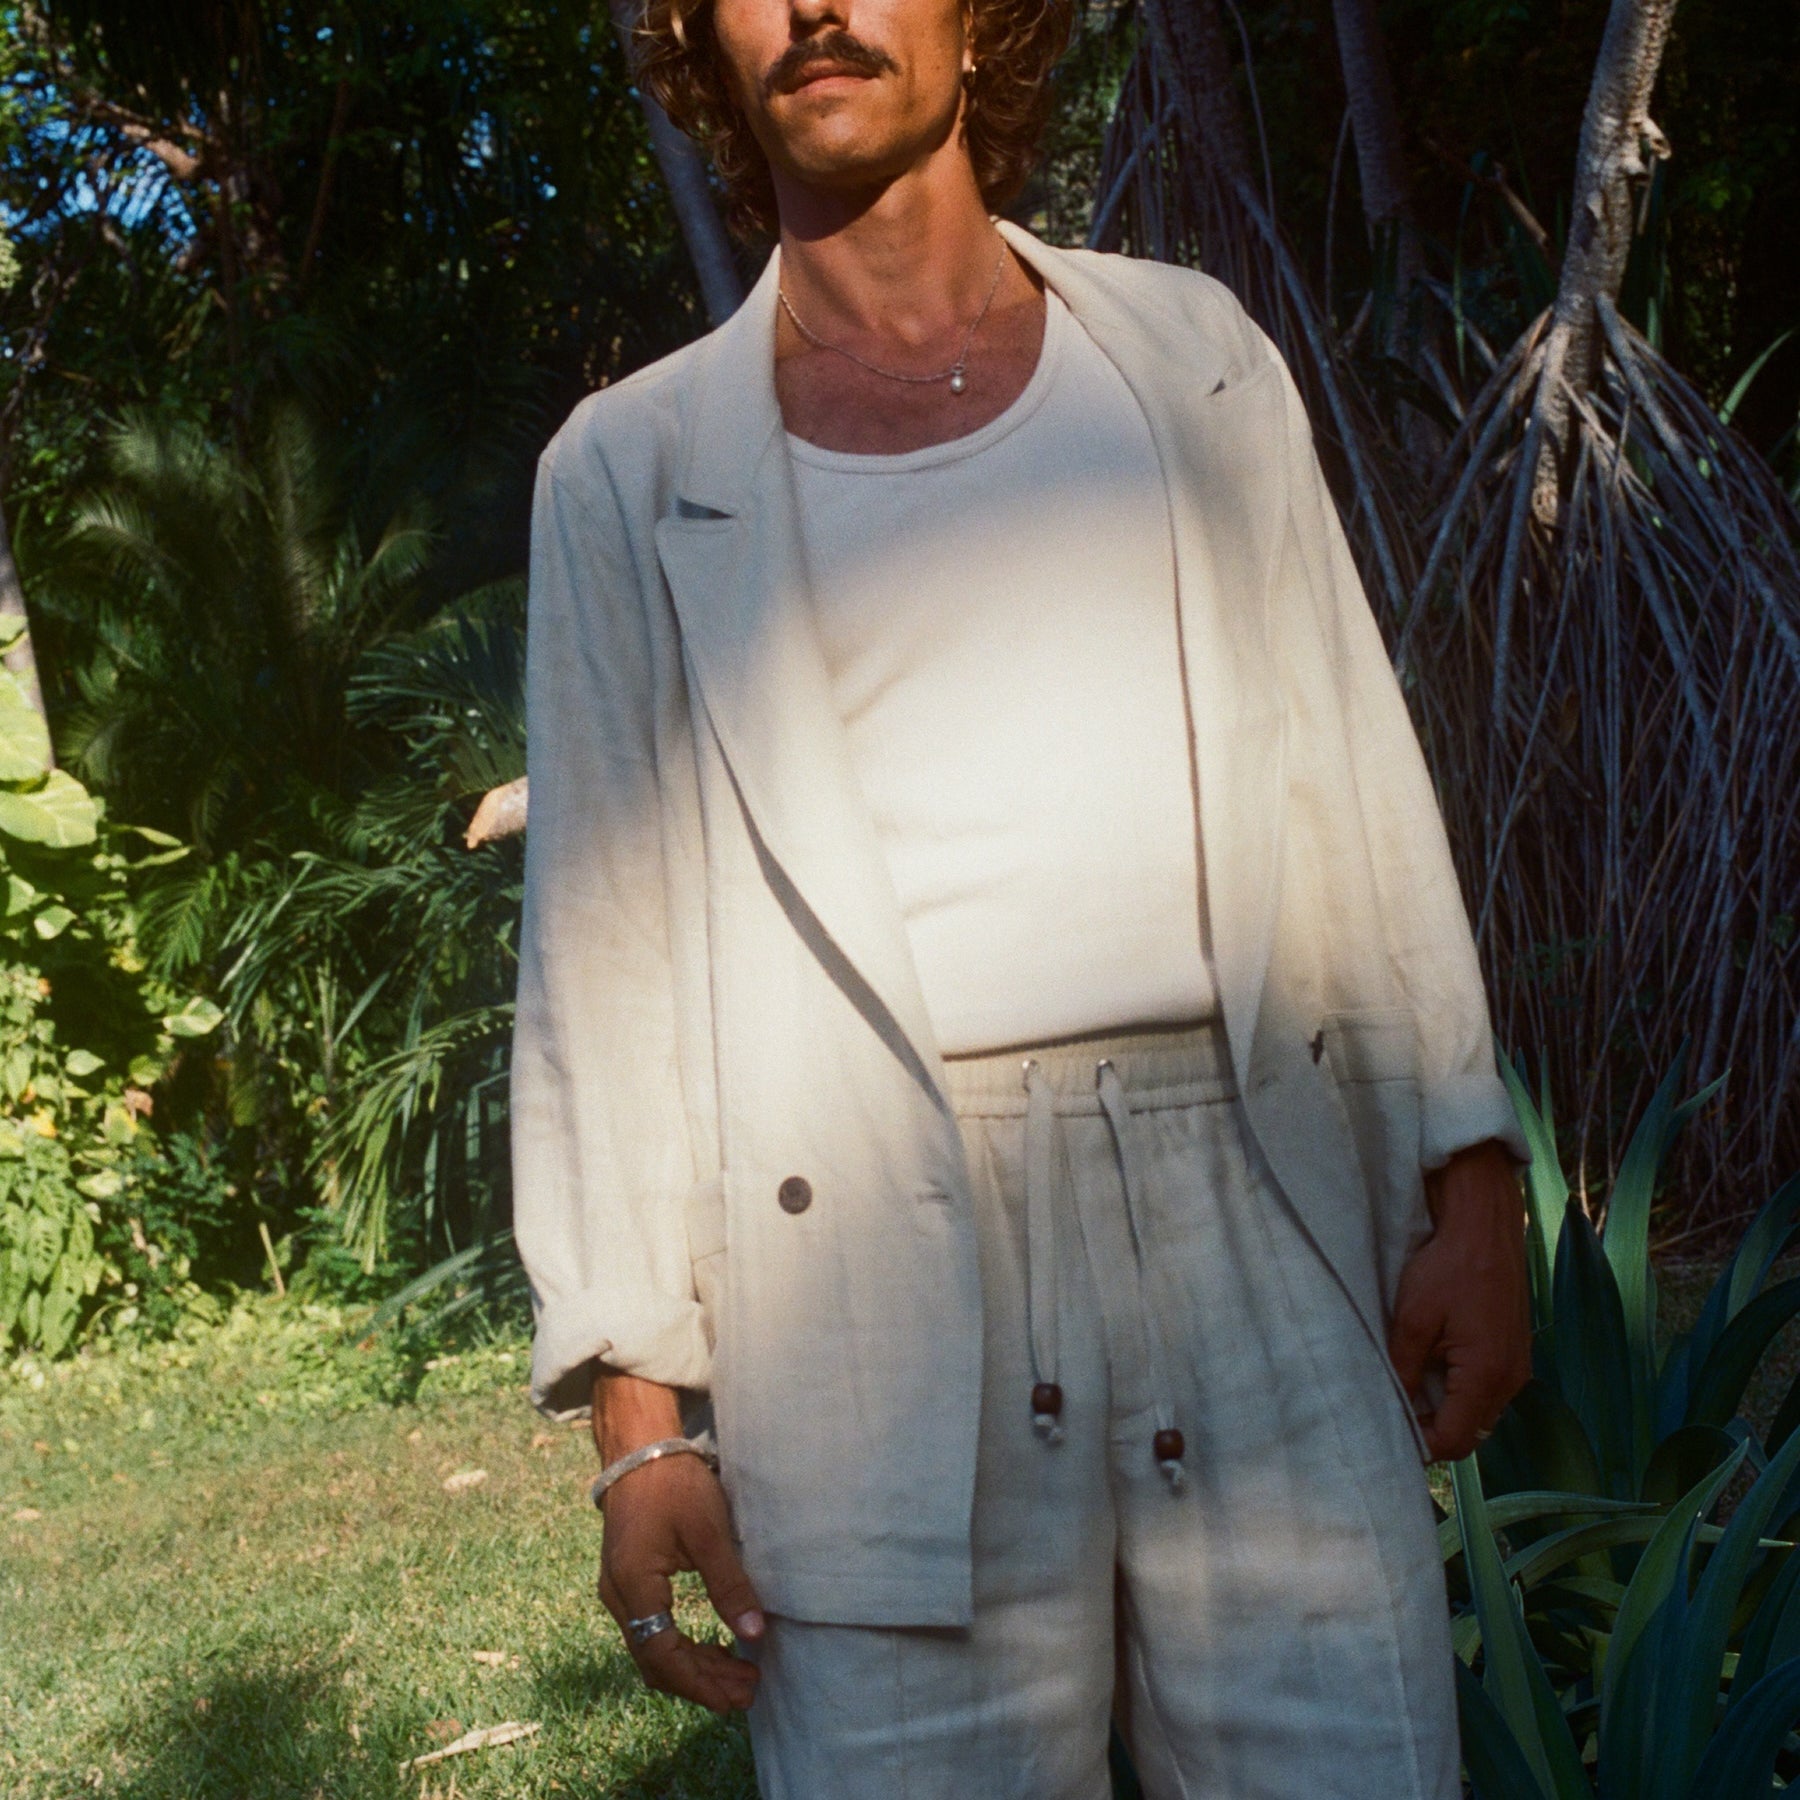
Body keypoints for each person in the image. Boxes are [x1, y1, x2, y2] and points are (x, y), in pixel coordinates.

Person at [509, 0, 1533, 1791]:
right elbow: (601, 963)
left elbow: (1353, 774)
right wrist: (636, 1415)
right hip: (862, 1280)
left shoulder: (1191, 360)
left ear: (985, 21)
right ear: (696, 40)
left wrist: (1470, 1169)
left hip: (1262, 1211)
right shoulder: (631, 470)